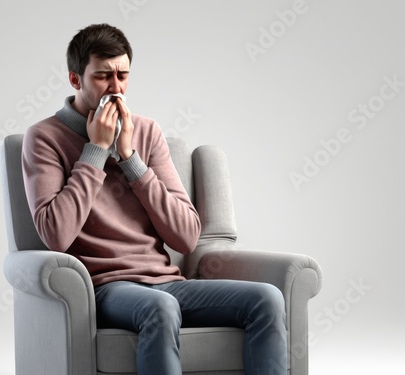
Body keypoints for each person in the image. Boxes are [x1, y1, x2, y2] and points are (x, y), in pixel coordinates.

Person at [22, 23, 287, 375]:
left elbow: (187, 236)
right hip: (106, 288)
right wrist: (96, 150)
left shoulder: (145, 132)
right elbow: (56, 233)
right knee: (159, 306)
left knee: (266, 298)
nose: (116, 89)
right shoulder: (44, 137)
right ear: (76, 80)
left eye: (123, 75)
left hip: (167, 282)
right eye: (103, 77)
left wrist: (131, 159)